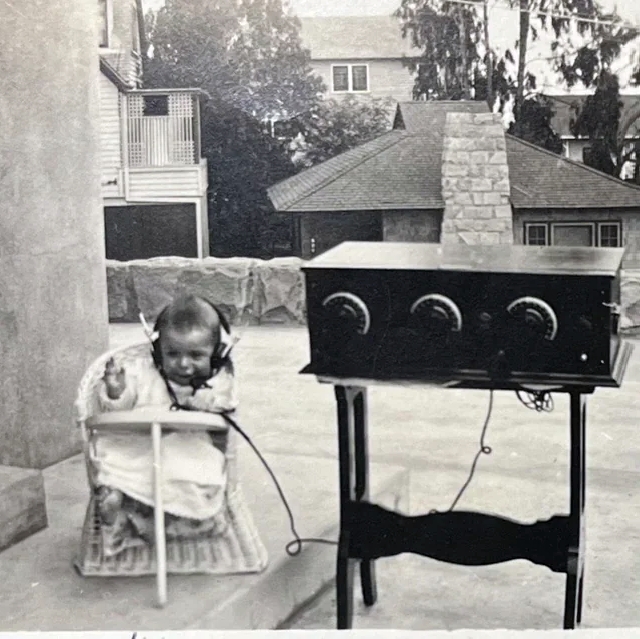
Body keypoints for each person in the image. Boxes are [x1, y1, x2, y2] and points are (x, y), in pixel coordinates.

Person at [90, 294, 238, 556]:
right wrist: (117, 390)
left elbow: (223, 404)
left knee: (192, 476)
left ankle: (152, 521)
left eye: (196, 355)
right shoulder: (143, 372)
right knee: (118, 463)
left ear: (215, 356)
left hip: (187, 446)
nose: (183, 364)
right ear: (158, 351)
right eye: (173, 354)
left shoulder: (216, 381)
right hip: (142, 445)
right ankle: (117, 504)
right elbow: (119, 407)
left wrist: (203, 393)